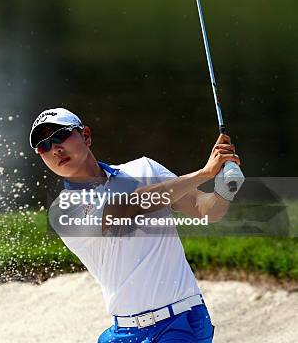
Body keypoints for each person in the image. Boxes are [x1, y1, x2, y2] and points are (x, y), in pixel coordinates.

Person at [29, 107, 244, 343]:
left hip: (180, 322)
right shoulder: (62, 210)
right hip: (125, 331)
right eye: (44, 146)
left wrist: (225, 189)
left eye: (60, 136)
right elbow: (131, 206)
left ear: (86, 135)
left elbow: (204, 209)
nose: (55, 149)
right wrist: (204, 173)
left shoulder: (144, 169)